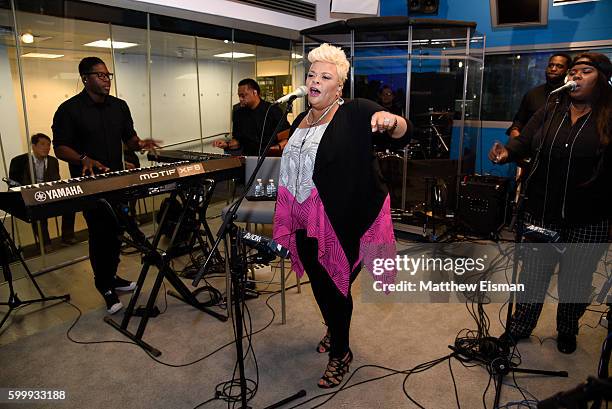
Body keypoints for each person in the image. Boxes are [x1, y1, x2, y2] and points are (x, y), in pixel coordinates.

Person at [272, 43, 410, 388]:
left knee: (336, 286)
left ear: (339, 87)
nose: (315, 81)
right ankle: (334, 331)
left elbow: (401, 131)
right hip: (307, 217)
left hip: (345, 217)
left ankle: (341, 352)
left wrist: (391, 120)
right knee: (319, 284)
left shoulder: (356, 110)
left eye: (325, 76)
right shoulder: (302, 119)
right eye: (311, 74)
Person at [489, 53, 611, 354]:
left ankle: (567, 329)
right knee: (532, 274)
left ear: (603, 80)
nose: (575, 76)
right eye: (573, 71)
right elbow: (524, 140)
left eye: (585, 71)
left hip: (589, 218)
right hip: (542, 211)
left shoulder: (608, 116)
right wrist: (507, 153)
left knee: (576, 280)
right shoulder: (551, 109)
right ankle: (520, 326)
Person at [52, 57, 160, 314]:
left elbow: (129, 139)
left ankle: (112, 277)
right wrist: (83, 158)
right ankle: (104, 286)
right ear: (85, 78)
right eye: (100, 75)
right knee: (100, 234)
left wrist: (141, 144)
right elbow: (60, 147)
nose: (106, 79)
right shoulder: (69, 109)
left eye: (108, 74)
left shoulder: (119, 106)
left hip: (117, 181)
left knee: (116, 233)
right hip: (90, 185)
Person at [9, 133, 76, 248]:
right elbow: (14, 183)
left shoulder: (53, 161)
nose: (47, 147)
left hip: (48, 194)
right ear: (33, 146)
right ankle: (45, 243)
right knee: (37, 211)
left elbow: (56, 180)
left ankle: (67, 237)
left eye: (49, 145)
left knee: (71, 204)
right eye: (43, 144)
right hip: (31, 197)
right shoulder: (19, 161)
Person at [212, 78, 290, 156]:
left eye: (243, 96)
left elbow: (286, 137)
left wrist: (276, 148)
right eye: (239, 96)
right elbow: (238, 141)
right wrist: (226, 144)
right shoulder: (238, 112)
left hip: (270, 158)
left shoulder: (273, 110)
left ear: (254, 92)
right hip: (248, 158)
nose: (240, 99)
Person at [507, 53, 572, 138]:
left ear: (567, 71)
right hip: (530, 147)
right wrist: (515, 130)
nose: (553, 69)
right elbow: (519, 120)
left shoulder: (571, 95)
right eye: (550, 65)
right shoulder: (532, 94)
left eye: (559, 66)